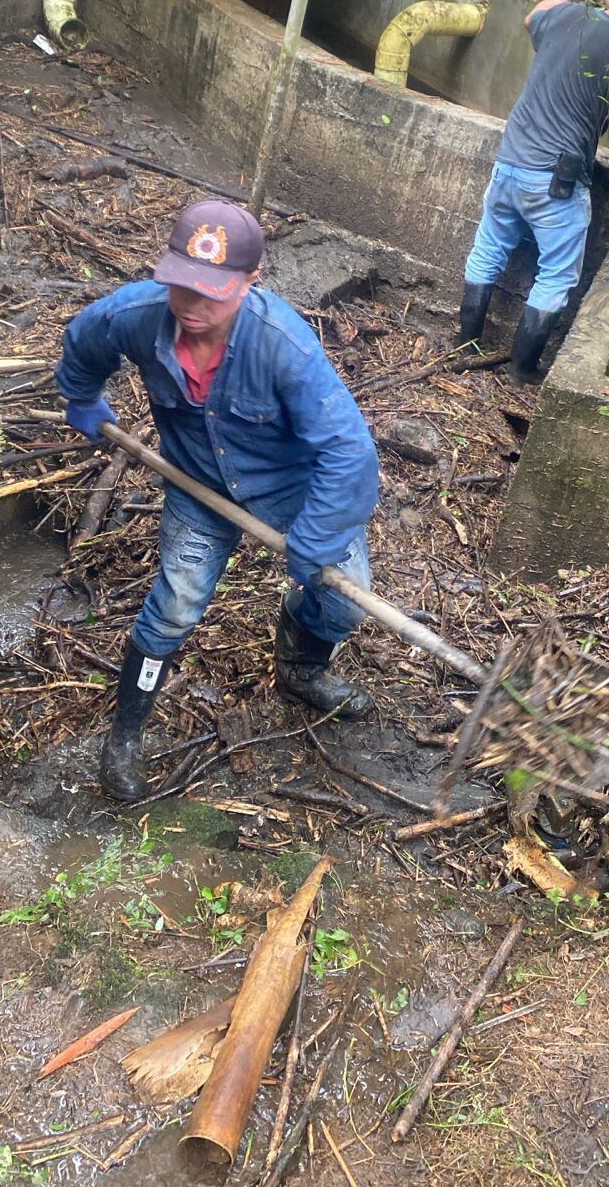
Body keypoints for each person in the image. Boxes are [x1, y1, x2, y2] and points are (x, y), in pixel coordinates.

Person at [54, 200, 380, 802]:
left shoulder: (283, 346)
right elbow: (86, 338)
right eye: (182, 285)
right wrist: (81, 394)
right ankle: (125, 735)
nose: (192, 305)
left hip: (292, 490)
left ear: (250, 281)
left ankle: (301, 666)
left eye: (213, 293)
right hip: (197, 486)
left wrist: (318, 536)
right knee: (176, 605)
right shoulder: (138, 316)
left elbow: (349, 453)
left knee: (343, 604)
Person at [456, 0, 609, 381]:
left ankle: (464, 343)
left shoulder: (565, 15)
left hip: (509, 162)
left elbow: (533, 17)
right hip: (555, 181)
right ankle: (522, 370)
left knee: (488, 251)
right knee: (558, 274)